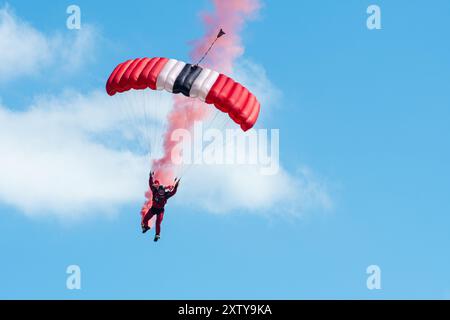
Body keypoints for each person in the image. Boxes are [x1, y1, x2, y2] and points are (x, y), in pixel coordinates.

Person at [141, 171, 180, 242]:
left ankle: (157, 235)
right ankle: (146, 227)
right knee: (145, 219)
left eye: (162, 191)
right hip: (153, 209)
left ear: (164, 191)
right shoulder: (155, 191)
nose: (161, 192)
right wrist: (150, 176)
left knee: (158, 222)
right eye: (160, 191)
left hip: (160, 211)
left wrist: (176, 186)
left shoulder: (166, 195)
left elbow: (173, 192)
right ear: (158, 190)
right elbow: (151, 184)